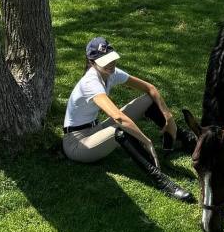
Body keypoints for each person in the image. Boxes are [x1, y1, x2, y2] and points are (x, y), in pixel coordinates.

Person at [63, 36, 196, 202]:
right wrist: (146, 141)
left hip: (95, 130)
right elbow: (118, 117)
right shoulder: (90, 82)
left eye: (112, 59)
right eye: (105, 61)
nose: (111, 64)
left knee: (148, 99)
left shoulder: (111, 73)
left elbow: (150, 89)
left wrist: (168, 116)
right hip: (78, 144)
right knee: (118, 130)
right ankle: (160, 179)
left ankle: (183, 140)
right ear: (92, 62)